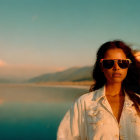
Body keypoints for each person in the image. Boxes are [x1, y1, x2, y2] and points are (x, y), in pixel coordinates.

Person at [57, 40, 140, 140]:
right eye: (109, 63)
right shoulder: (84, 103)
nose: (116, 67)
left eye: (122, 63)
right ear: (101, 66)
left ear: (128, 66)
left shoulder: (138, 102)